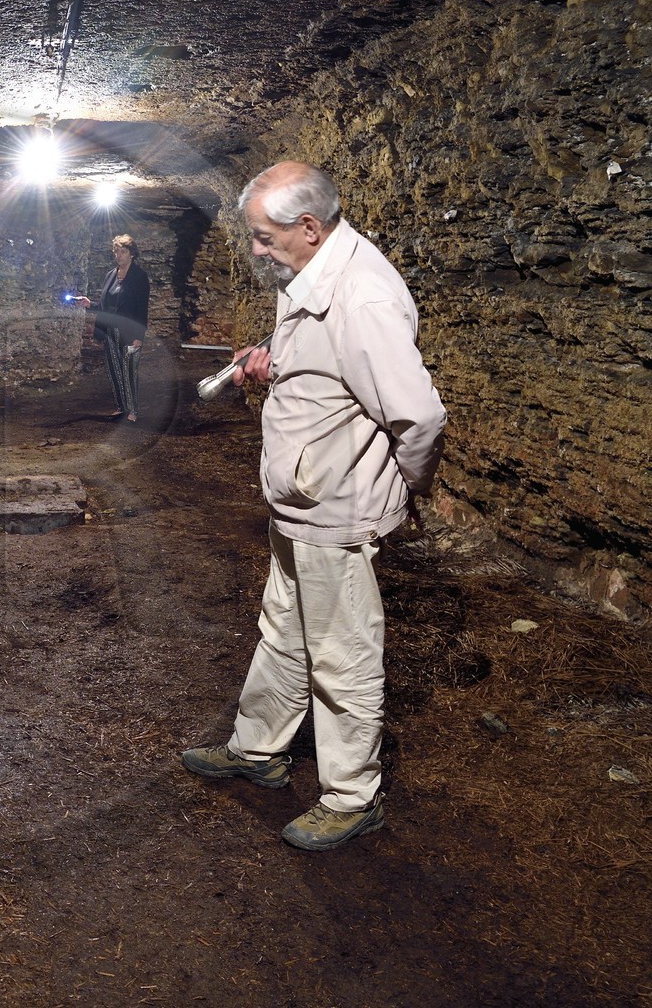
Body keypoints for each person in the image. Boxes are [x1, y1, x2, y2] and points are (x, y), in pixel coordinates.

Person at [181, 161, 447, 851]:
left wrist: (402, 489)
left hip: (336, 505)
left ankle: (354, 795)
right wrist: (275, 357)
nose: (256, 251)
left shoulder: (362, 298)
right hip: (302, 497)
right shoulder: (308, 273)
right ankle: (259, 748)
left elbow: (417, 418)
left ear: (309, 227)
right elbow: (327, 363)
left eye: (265, 238)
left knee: (341, 652)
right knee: (285, 628)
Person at [72, 234, 150, 422]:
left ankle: (132, 410)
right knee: (115, 370)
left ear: (132, 254)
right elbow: (107, 307)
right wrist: (90, 304)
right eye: (116, 251)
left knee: (129, 370)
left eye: (123, 252)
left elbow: (141, 310)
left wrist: (139, 336)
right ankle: (121, 407)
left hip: (130, 332)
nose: (118, 255)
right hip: (110, 331)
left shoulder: (139, 277)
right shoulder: (110, 276)